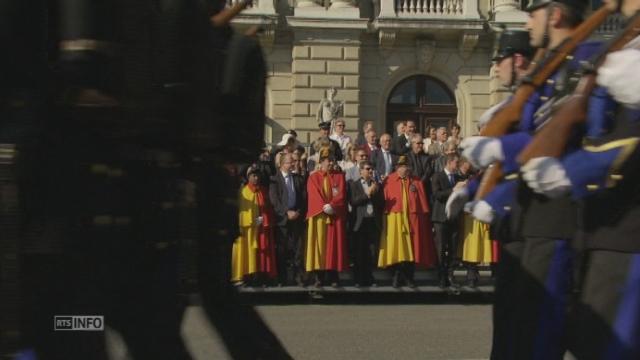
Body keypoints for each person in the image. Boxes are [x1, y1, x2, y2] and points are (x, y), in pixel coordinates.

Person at [461, 0, 601, 357]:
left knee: (537, 334)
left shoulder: (584, 60)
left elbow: (552, 136)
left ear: (555, 14)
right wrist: (483, 191)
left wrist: (498, 148)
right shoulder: (551, 69)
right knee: (513, 331)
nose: (527, 23)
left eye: (533, 12)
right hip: (525, 218)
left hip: (554, 221)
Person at [520, 0, 640, 357]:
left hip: (627, 233)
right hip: (598, 226)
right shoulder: (623, 46)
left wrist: (567, 171)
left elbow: (624, 141)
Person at [379, 156, 436, 288]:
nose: (405, 168)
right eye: (402, 166)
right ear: (397, 168)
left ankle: (410, 278)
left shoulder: (416, 182)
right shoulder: (389, 180)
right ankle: (396, 276)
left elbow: (423, 206)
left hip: (412, 220)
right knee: (396, 249)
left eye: (407, 166)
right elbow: (384, 203)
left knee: (411, 250)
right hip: (395, 220)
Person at [305, 147, 348, 287]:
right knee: (319, 246)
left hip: (334, 216)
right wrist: (323, 206)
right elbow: (313, 194)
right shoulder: (313, 177)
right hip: (319, 216)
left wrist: (333, 206)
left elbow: (341, 194)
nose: (330, 163)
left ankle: (333, 276)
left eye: (332, 160)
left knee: (333, 246)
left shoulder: (339, 176)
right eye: (327, 161)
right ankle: (319, 277)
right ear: (321, 162)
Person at [232, 166, 277, 285]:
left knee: (261, 252)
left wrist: (262, 220)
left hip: (261, 226)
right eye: (253, 176)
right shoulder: (243, 191)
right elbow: (243, 210)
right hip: (248, 228)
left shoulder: (263, 190)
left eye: (257, 176)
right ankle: (245, 275)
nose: (256, 178)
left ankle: (259, 276)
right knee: (246, 252)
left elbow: (267, 208)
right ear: (248, 177)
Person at [269, 154, 307, 287]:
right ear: (281, 164)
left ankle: (298, 277)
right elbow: (274, 201)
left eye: (294, 162)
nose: (293, 164)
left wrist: (298, 212)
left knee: (298, 249)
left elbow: (303, 199)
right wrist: (286, 212)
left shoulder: (298, 179)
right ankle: (281, 278)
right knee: (282, 250)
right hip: (282, 220)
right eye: (290, 162)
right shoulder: (274, 180)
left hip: (296, 218)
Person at [432, 153, 466, 288]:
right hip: (440, 218)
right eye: (456, 163)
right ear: (449, 162)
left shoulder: (458, 177)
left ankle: (451, 276)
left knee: (453, 248)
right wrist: (453, 190)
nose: (457, 166)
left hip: (454, 217)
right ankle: (441, 276)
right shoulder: (438, 176)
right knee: (440, 248)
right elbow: (437, 195)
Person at [348, 161, 384, 287]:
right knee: (359, 251)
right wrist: (367, 194)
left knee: (370, 251)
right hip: (359, 222)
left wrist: (375, 192)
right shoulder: (354, 185)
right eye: (368, 169)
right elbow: (353, 201)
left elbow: (381, 203)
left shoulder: (376, 185)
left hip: (372, 221)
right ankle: (358, 278)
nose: (370, 171)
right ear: (361, 171)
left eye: (372, 169)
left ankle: (369, 277)